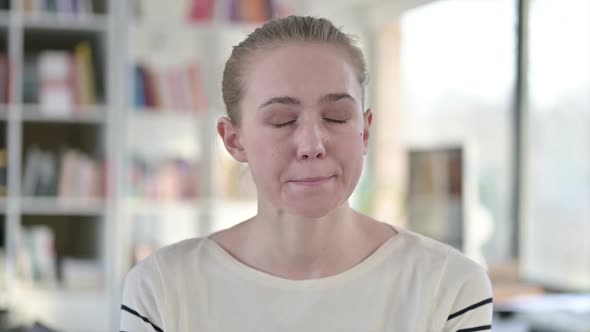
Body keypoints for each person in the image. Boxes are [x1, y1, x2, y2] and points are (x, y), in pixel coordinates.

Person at [120, 16, 493, 332]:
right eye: (282, 120)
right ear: (234, 141)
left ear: (364, 131)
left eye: (336, 117)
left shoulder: (450, 287)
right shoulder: (162, 289)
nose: (312, 143)